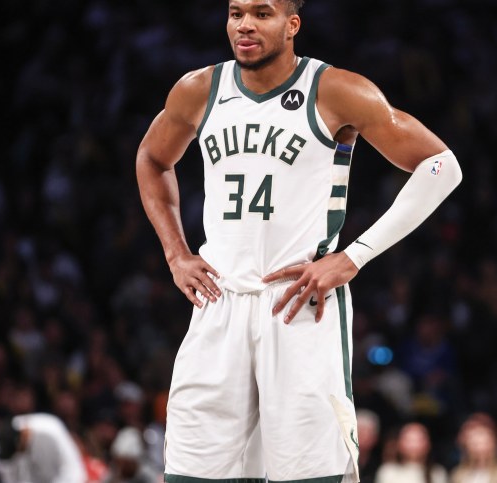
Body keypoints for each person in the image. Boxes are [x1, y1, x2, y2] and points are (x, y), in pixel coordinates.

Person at [136, 0, 462, 481]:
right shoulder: (198, 89)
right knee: (190, 471)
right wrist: (175, 254)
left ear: (292, 25)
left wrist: (353, 257)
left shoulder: (336, 90)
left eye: (261, 13)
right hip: (218, 302)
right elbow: (152, 157)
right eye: (235, 13)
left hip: (299, 306)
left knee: (308, 474)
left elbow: (441, 167)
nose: (245, 25)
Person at [0, 412, 87, 483]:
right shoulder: (7, 435)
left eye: (17, 450)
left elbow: (74, 471)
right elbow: (8, 473)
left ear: (21, 437)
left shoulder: (50, 430)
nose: (18, 453)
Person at [376, 423, 447, 483]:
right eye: (409, 440)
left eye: (418, 440)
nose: (414, 445)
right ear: (399, 444)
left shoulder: (438, 473)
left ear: (428, 444)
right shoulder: (388, 471)